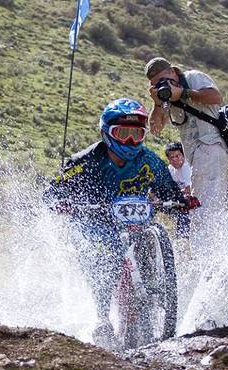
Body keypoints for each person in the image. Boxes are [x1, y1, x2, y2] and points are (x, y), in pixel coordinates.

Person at [44, 98, 194, 347]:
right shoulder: (86, 161)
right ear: (107, 133)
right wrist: (63, 203)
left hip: (137, 224)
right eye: (122, 133)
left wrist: (182, 204)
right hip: (95, 223)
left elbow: (168, 191)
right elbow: (52, 192)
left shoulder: (149, 160)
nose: (130, 141)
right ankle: (102, 319)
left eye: (137, 134)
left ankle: (148, 304)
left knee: (145, 246)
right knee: (106, 257)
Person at [145, 57, 228, 257]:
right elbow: (155, 129)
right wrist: (157, 104)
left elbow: (216, 97)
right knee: (207, 207)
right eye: (157, 84)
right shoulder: (166, 100)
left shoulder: (193, 78)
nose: (163, 85)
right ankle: (217, 254)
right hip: (197, 157)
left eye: (164, 80)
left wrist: (182, 93)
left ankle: (205, 258)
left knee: (202, 208)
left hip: (211, 147)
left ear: (174, 72)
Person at [165, 141, 192, 238]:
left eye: (178, 156)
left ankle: (183, 238)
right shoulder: (170, 169)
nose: (175, 160)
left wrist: (171, 194)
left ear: (183, 155)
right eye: (172, 157)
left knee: (184, 209)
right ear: (168, 159)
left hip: (192, 201)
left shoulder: (186, 167)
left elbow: (188, 189)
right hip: (178, 200)